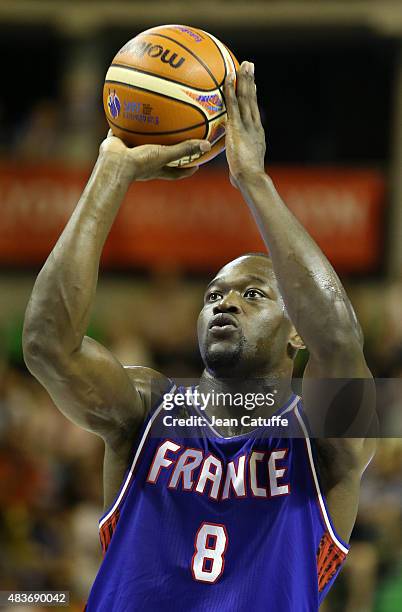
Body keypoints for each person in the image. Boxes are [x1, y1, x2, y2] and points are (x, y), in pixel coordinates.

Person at [22, 61, 376, 611]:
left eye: (252, 295)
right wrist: (112, 170)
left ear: (297, 333)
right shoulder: (145, 409)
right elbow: (47, 344)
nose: (225, 302)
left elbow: (341, 341)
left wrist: (252, 179)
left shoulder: (325, 442)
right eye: (213, 296)